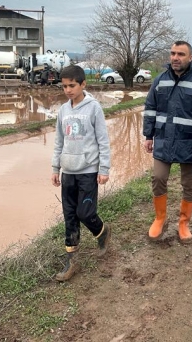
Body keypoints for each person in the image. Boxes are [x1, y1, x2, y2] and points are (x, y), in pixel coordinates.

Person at [143, 40, 192, 244]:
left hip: (191, 141)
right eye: (173, 53)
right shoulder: (160, 80)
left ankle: (183, 223)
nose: (175, 58)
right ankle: (160, 219)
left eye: (180, 54)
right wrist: (148, 135)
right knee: (158, 178)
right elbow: (150, 108)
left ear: (190, 58)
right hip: (163, 140)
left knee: (189, 184)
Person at [50, 65, 111, 282]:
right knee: (70, 217)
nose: (67, 90)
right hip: (68, 172)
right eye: (64, 86)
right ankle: (71, 262)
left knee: (85, 213)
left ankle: (102, 232)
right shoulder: (63, 111)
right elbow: (58, 141)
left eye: (72, 85)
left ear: (83, 84)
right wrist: (55, 168)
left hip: (88, 171)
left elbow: (103, 140)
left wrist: (104, 169)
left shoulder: (93, 108)